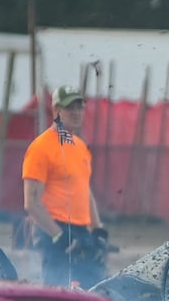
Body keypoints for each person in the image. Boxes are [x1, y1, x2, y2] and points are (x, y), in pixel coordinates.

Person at [22, 85, 108, 288]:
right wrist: (58, 236)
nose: (76, 113)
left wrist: (97, 229)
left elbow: (84, 190)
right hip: (54, 231)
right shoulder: (41, 148)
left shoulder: (79, 146)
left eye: (80, 107)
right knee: (58, 295)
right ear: (56, 111)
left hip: (81, 232)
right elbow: (31, 203)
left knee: (94, 291)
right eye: (70, 108)